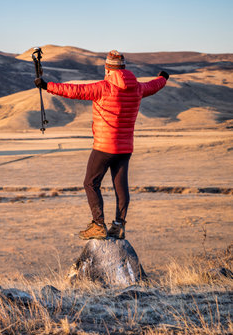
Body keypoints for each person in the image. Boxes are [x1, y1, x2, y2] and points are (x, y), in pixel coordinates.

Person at [35, 50, 168, 240]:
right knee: (121, 187)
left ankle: (98, 225)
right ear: (123, 68)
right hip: (125, 148)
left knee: (90, 183)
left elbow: (74, 91)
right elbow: (154, 85)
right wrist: (163, 78)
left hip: (104, 146)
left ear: (108, 68)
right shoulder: (137, 88)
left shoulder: (103, 87)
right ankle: (119, 225)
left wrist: (47, 86)